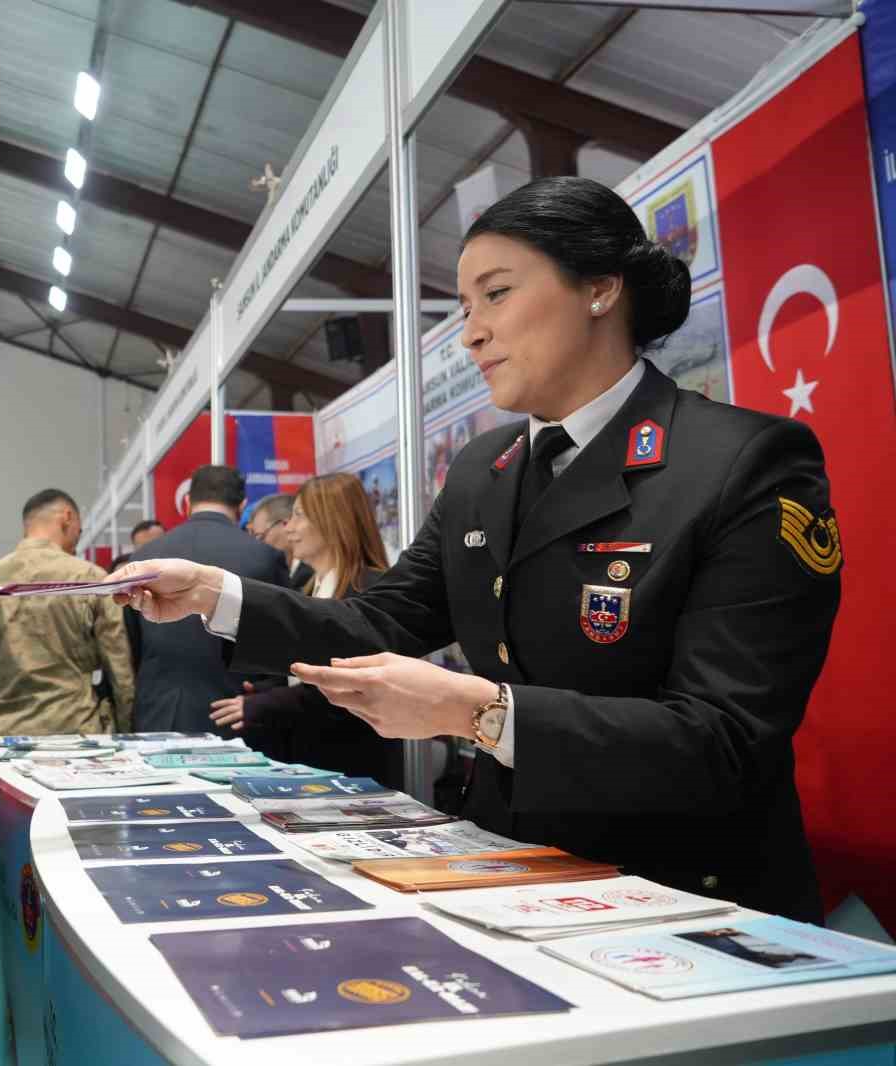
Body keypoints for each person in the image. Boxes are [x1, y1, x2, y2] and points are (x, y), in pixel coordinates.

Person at [114, 177, 840, 922]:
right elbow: (379, 620)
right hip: (513, 878)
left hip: (681, 897)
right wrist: (213, 592)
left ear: (599, 289)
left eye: (496, 294)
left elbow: (724, 740)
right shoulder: (484, 470)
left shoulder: (739, 462)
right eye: (465, 307)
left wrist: (484, 714)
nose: (471, 333)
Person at [210, 474, 397, 781]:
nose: (289, 528)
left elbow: (349, 686)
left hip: (353, 765)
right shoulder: (310, 588)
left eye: (299, 516)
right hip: (310, 758)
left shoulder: (370, 590)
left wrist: (269, 703)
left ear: (331, 520)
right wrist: (268, 690)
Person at [0, 490, 135, 749]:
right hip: (78, 732)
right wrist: (127, 732)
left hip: (4, 737)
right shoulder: (91, 579)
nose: (76, 542)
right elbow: (120, 671)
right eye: (79, 532)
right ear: (67, 518)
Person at [125, 466, 289, 734]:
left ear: (188, 502)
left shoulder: (144, 557)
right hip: (237, 715)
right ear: (242, 505)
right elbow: (280, 641)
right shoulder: (264, 558)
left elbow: (133, 646)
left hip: (159, 711)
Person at [247, 492, 313, 589]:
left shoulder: (314, 569)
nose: (258, 545)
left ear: (286, 524)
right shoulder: (273, 572)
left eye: (261, 537)